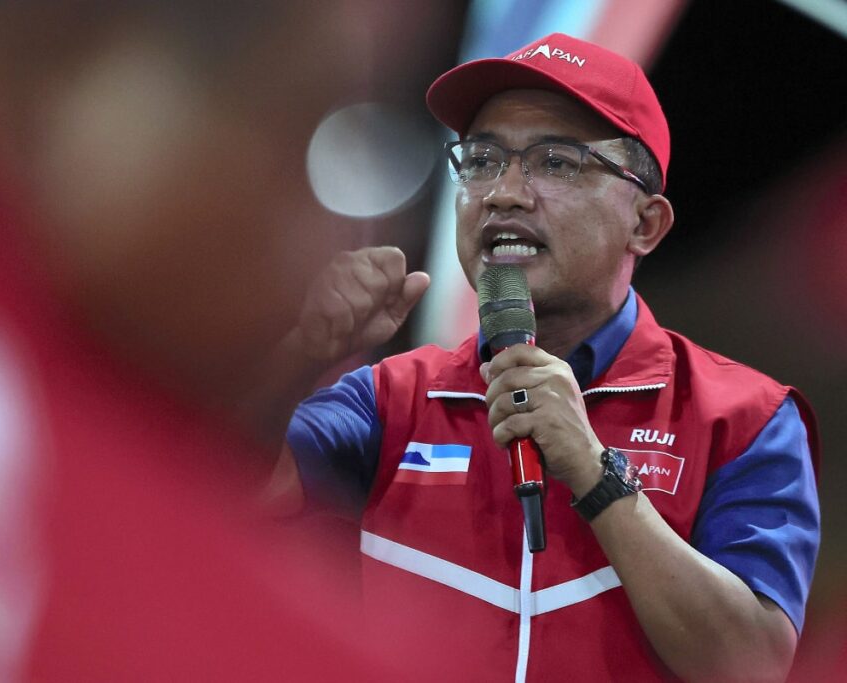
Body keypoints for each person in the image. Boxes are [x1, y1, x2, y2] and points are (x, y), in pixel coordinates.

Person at [263, 33, 820, 682]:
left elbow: (751, 665)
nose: (503, 193)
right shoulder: (391, 399)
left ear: (646, 223)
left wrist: (596, 473)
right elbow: (225, 491)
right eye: (481, 160)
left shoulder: (748, 417)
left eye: (555, 162)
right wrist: (298, 357)